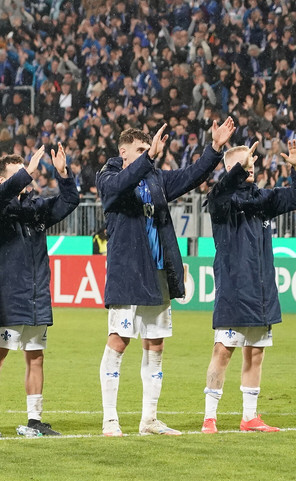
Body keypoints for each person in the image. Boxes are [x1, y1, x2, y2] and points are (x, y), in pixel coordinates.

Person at [95, 119, 235, 437]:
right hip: (128, 274)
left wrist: (214, 148)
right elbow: (117, 188)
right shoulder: (109, 175)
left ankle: (149, 419)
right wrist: (148, 159)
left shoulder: (155, 178)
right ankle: (110, 419)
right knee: (118, 342)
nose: (148, 154)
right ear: (124, 152)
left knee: (155, 345)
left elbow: (191, 176)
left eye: (149, 149)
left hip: (157, 273)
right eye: (141, 150)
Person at [201, 139, 296, 434]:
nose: (251, 168)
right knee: (223, 351)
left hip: (261, 293)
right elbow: (220, 192)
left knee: (256, 353)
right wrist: (238, 167)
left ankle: (249, 416)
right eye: (245, 165)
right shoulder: (220, 202)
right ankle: (209, 417)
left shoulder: (263, 200)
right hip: (234, 291)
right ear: (232, 169)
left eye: (252, 164)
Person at [0, 142, 79, 438]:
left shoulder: (37, 208)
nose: (28, 177)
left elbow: (68, 203)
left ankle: (34, 420)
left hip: (37, 297)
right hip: (9, 296)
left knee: (36, 356)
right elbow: (0, 198)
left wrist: (63, 174)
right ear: (2, 180)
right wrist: (27, 172)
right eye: (19, 173)